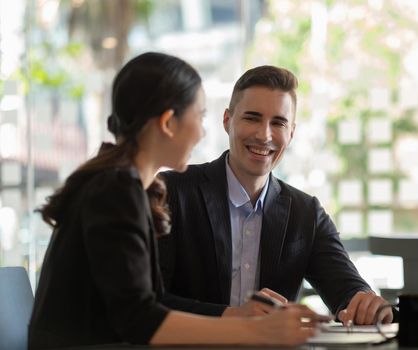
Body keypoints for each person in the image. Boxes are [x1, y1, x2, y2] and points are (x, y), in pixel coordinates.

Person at [28, 53, 322, 349]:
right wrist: (261, 332)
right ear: (169, 122)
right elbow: (140, 320)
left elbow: (153, 302)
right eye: (199, 117)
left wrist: (236, 317)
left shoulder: (121, 183)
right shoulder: (116, 191)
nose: (202, 132)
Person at [158, 65, 394, 326]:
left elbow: (347, 291)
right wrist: (233, 317)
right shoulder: (171, 193)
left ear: (291, 133)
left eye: (278, 123)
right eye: (252, 118)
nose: (264, 135)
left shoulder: (306, 213)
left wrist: (366, 304)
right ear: (227, 121)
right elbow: (147, 302)